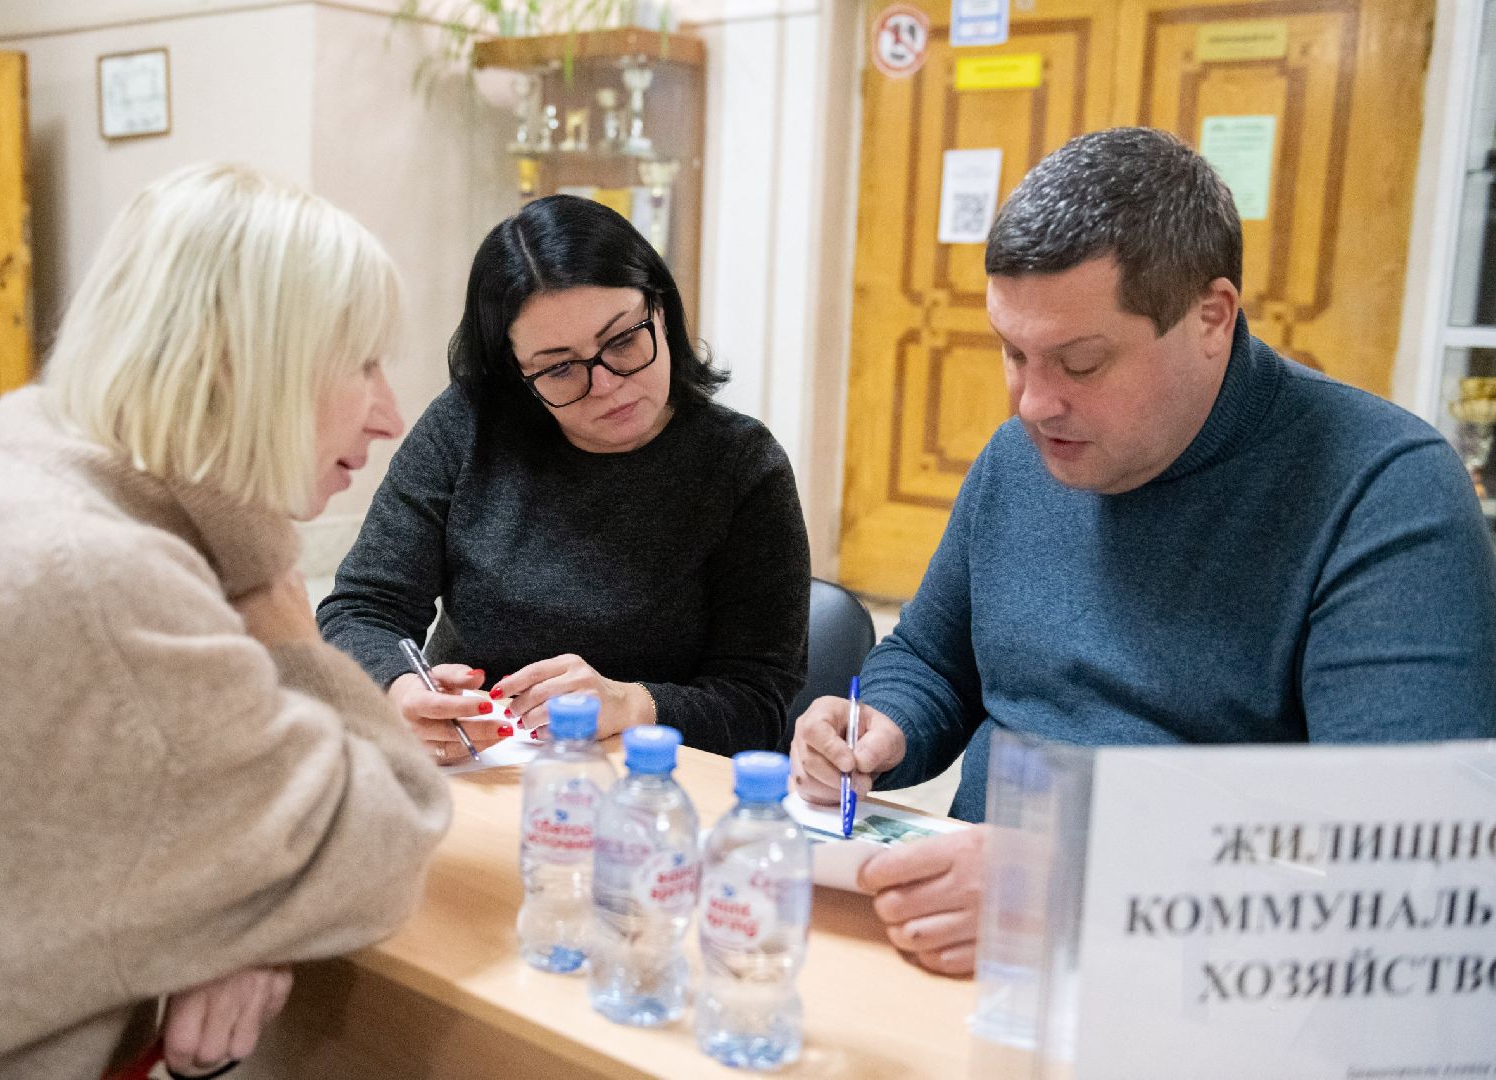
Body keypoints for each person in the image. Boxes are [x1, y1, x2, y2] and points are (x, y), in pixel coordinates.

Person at [790, 127, 1496, 977]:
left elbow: (1405, 863)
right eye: (1012, 353)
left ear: (1210, 318)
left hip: (1193, 984)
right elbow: (936, 660)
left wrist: (1076, 889)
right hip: (962, 944)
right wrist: (878, 726)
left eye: (1079, 363)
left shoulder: (1381, 492)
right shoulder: (1024, 456)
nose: (1032, 402)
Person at [0, 163, 452, 1078]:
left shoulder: (26, 457)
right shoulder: (104, 582)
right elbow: (388, 835)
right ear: (243, 364)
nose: (388, 413)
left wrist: (243, 906)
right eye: (362, 363)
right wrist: (277, 601)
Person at [318, 195, 810, 760]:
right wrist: (400, 688)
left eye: (623, 341)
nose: (606, 384)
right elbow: (361, 609)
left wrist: (635, 704)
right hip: (479, 769)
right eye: (558, 368)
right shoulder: (468, 426)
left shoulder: (741, 466)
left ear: (663, 311)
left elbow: (758, 707)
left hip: (650, 789)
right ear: (515, 373)